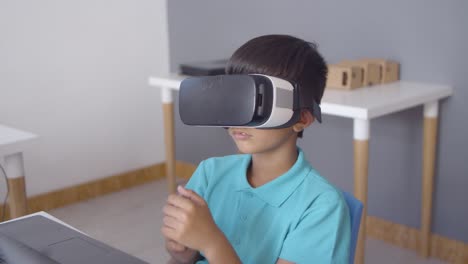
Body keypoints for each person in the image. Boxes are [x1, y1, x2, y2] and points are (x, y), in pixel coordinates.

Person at [161, 34, 351, 264]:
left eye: (257, 102)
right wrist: (182, 249)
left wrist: (212, 242)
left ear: (302, 118)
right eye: (234, 99)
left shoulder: (322, 207)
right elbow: (180, 259)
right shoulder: (210, 173)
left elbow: (209, 243)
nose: (239, 118)